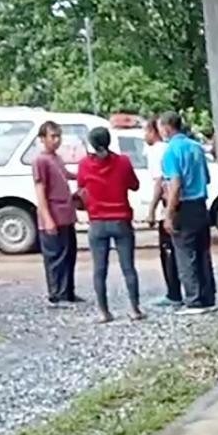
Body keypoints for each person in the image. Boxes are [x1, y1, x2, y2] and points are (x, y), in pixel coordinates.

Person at [77, 128, 142, 323]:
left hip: (97, 222)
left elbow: (81, 187)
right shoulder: (122, 162)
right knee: (128, 267)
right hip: (121, 220)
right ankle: (134, 309)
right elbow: (134, 185)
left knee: (99, 269)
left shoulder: (84, 165)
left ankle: (104, 312)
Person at [157, 111, 216, 315]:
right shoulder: (196, 148)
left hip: (184, 206)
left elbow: (175, 184)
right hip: (200, 204)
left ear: (166, 127)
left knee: (184, 254)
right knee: (203, 252)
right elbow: (206, 178)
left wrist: (169, 213)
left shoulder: (171, 152)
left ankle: (194, 299)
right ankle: (208, 296)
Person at [33, 121, 81, 306]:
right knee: (55, 257)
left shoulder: (56, 158)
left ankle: (68, 291)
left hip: (66, 214)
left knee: (69, 255)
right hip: (52, 215)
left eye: (58, 136)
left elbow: (66, 175)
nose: (56, 140)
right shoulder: (40, 161)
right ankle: (57, 295)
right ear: (43, 139)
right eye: (52, 136)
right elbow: (40, 190)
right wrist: (47, 219)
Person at [145, 117, 181, 307]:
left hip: (166, 209)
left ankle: (173, 294)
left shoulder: (157, 151)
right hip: (173, 206)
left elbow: (161, 182)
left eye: (147, 131)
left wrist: (152, 209)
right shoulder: (167, 149)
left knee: (167, 251)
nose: (145, 136)